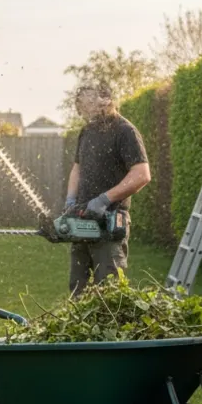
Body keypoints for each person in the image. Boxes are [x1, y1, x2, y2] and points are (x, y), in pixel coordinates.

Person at [63, 82, 150, 296]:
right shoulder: (87, 131)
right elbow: (77, 168)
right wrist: (71, 201)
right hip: (83, 222)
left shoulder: (124, 130)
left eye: (88, 104)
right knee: (78, 288)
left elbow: (142, 174)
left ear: (103, 101)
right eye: (82, 106)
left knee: (108, 292)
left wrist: (103, 199)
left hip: (109, 221)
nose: (85, 110)